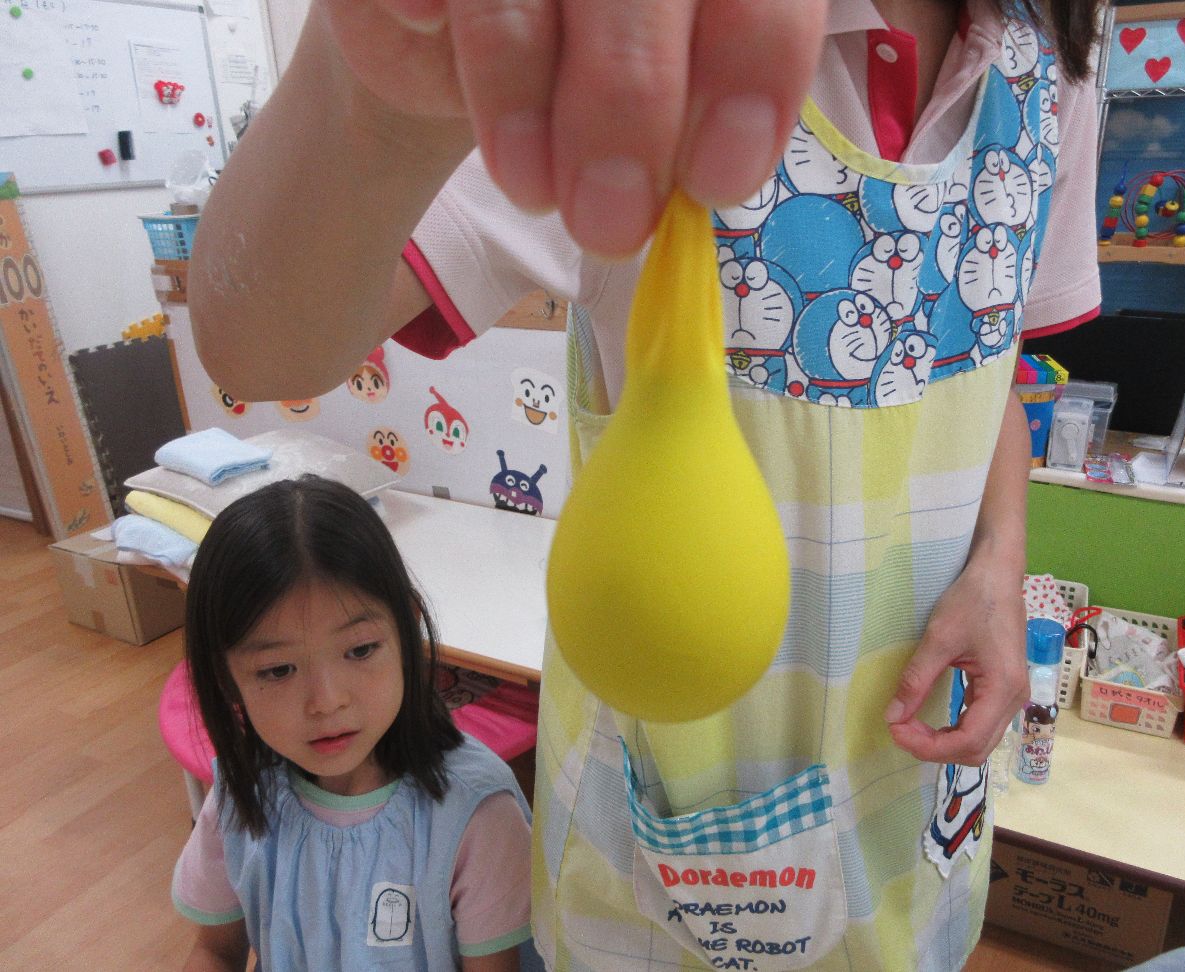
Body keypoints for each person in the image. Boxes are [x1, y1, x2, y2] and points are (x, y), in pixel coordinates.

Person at [190, 1, 1104, 967]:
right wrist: (376, 101)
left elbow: (995, 368)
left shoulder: (1052, 54)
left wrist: (1000, 558)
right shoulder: (643, 49)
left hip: (908, 782)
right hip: (677, 814)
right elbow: (264, 349)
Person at [172, 476, 534, 971]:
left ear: (406, 629)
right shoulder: (240, 794)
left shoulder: (477, 815)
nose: (327, 702)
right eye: (278, 670)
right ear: (226, 677)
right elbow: (215, 950)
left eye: (360, 650)